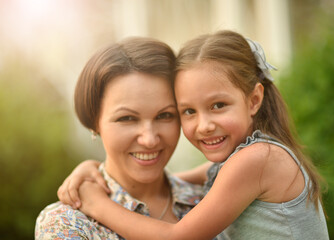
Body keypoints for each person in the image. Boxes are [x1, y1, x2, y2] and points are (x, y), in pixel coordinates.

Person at [58, 30, 329, 239]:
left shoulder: (258, 159)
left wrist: (95, 203)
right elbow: (167, 182)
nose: (204, 125)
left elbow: (178, 236)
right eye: (188, 111)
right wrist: (92, 169)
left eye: (218, 106)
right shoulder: (244, 160)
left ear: (254, 100)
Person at [34, 37, 206, 239]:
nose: (149, 139)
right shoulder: (67, 222)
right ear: (94, 122)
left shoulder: (210, 199)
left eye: (165, 115)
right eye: (127, 118)